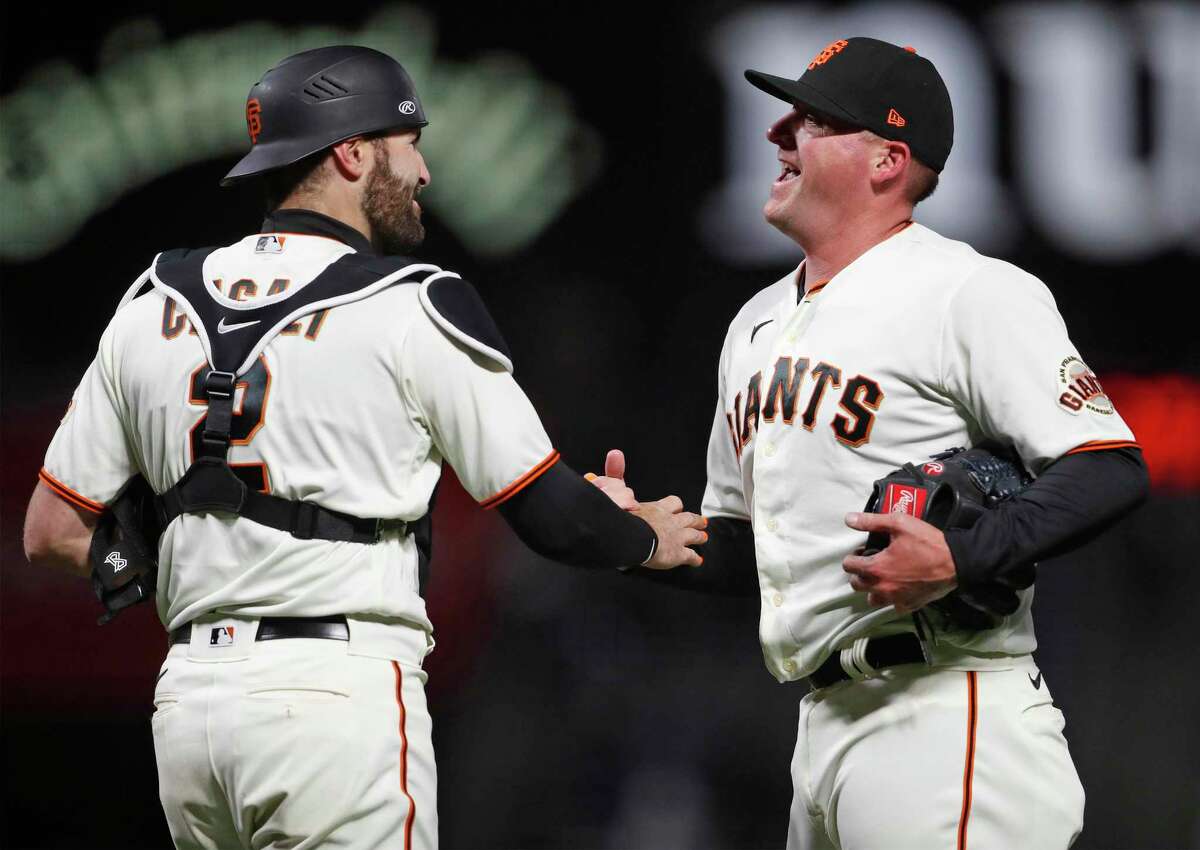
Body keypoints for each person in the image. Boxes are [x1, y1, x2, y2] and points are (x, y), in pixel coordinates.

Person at [22, 45, 705, 850]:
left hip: (190, 713)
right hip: (334, 699)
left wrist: (176, 553)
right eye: (407, 141)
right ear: (350, 151)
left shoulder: (152, 300)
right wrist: (645, 537)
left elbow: (52, 534)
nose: (421, 170)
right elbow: (557, 521)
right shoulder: (411, 304)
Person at [590, 37, 1149, 850]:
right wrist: (639, 537)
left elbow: (1109, 466)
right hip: (822, 723)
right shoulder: (754, 324)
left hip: (946, 712)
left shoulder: (968, 290)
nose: (780, 134)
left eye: (812, 120)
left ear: (889, 159)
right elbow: (765, 552)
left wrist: (964, 556)